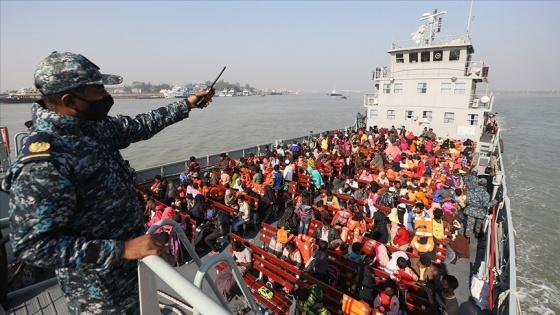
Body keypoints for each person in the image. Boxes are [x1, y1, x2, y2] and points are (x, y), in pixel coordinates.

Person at [1, 51, 214, 314]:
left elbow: (138, 126)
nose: (106, 95)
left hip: (131, 274)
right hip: (99, 293)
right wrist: (121, 249)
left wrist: (186, 105)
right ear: (71, 101)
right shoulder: (47, 161)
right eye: (98, 89)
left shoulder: (91, 126)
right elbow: (32, 245)